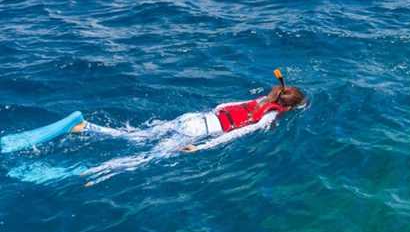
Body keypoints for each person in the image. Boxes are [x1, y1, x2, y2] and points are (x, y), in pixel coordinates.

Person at [69, 69, 305, 154]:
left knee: (139, 135)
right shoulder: (271, 114)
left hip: (194, 118)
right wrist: (202, 146)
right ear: (290, 106)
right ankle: (98, 172)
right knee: (145, 157)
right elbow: (237, 134)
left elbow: (223, 107)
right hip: (196, 132)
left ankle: (89, 127)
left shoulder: (264, 98)